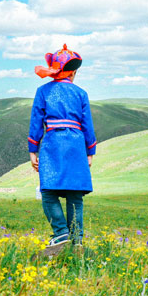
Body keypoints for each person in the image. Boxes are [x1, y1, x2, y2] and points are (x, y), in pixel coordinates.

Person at [27, 44, 96, 250]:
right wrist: (90, 151)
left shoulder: (42, 91)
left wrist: (33, 150)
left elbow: (36, 121)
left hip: (52, 144)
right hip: (76, 144)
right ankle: (77, 240)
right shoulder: (81, 93)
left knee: (49, 191)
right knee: (75, 193)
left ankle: (60, 234)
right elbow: (87, 125)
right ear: (73, 72)